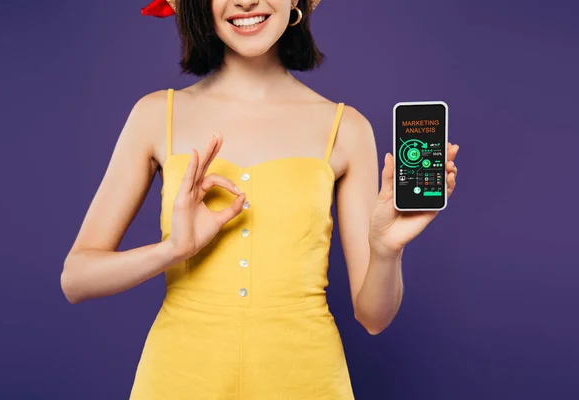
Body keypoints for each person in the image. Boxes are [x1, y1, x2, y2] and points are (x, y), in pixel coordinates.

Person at [60, 0, 460, 398]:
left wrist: (386, 250)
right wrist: (174, 249)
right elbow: (76, 279)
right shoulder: (154, 115)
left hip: (308, 381)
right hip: (177, 380)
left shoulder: (347, 128)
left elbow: (373, 318)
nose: (246, 1)